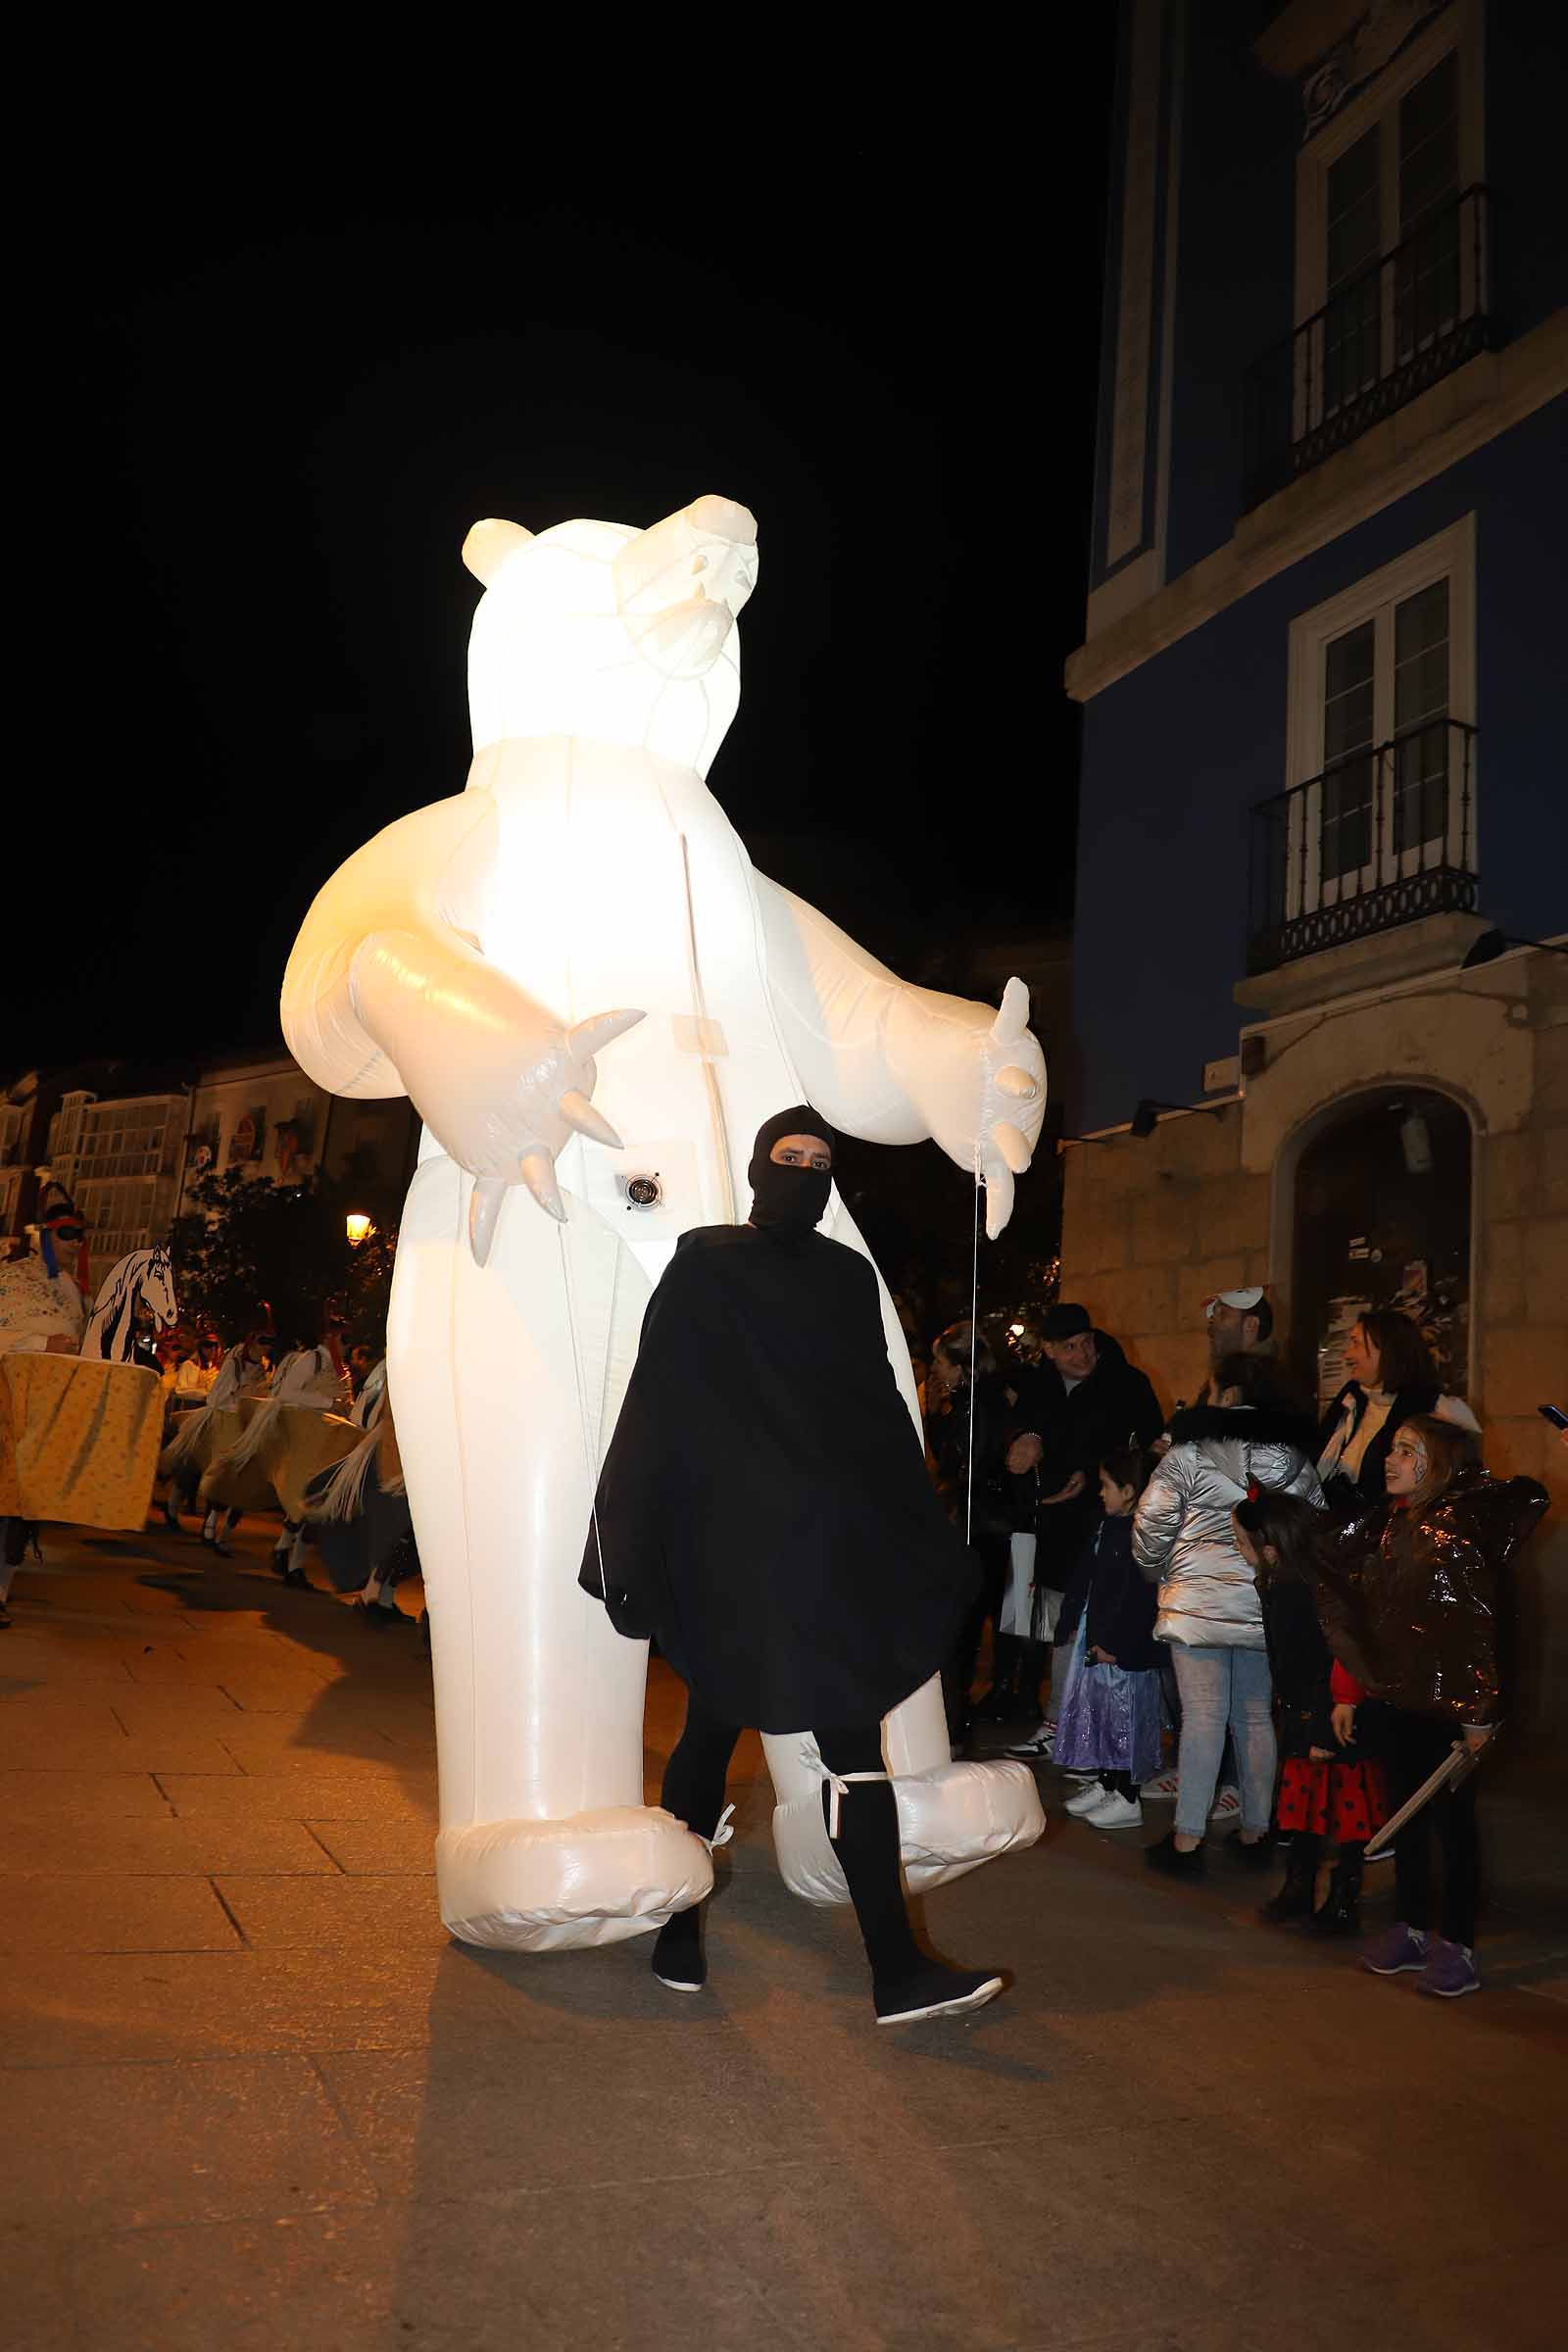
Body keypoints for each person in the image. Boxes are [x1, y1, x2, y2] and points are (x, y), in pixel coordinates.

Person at [580, 1106, 1004, 2027]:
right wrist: (630, 1530)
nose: (807, 1172)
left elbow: (880, 1411)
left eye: (822, 1161)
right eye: (790, 1157)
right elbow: (658, 1401)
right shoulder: (705, 1263)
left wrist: (918, 1527)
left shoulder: (849, 1278)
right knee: (711, 1729)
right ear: (758, 1167)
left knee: (851, 1748)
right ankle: (680, 1924)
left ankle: (896, 1968)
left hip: (825, 1551)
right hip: (733, 1551)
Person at [1315, 1416, 1547, 1999]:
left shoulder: (1455, 1532)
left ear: (1438, 1464)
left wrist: (1477, 1713)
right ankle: (1412, 1925)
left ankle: (1457, 1945)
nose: (1390, 1460)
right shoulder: (1395, 1526)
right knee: (1408, 1817)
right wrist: (1356, 1688)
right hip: (1401, 1698)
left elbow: (1475, 1627)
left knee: (1453, 1825)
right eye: (1392, 1448)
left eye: (1406, 1451)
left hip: (1450, 1709)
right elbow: (1375, 1616)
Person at [1134, 1352, 1323, 1877]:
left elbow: (1150, 1525)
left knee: (1202, 1717)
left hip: (1196, 1607)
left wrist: (1160, 1574)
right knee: (1256, 1715)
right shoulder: (1294, 1461)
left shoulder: (1188, 1455)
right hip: (1264, 1603)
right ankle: (1257, 1827)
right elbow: (1313, 1531)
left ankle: (1188, 1837)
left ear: (1229, 1393)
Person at [1002, 1304, 1163, 1759]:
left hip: (1092, 1527)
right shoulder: (1036, 1384)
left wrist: (1091, 1478)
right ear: (1049, 1351)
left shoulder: (1127, 1384)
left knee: (1075, 1626)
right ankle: (1017, 1696)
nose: (1083, 1353)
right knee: (1027, 1621)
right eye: (1069, 1347)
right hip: (1034, 1521)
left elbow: (1146, 1451)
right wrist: (1025, 1437)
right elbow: (1017, 1428)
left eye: (1087, 1341)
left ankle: (1070, 1723)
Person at [1232, 1488, 1388, 1935]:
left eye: (1240, 1543)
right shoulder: (1282, 1582)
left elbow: (1322, 1662)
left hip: (1333, 1717)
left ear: (1270, 1550)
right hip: (1307, 1714)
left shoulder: (1301, 1591)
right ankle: (1299, 1888)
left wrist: (1319, 1728)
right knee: (1305, 1807)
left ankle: (1342, 1897)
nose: (1238, 1551)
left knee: (1345, 1811)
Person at [1052, 1445, 1163, 1830]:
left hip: (1122, 1647)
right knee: (1101, 1712)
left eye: (1106, 1485)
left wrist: (1117, 1645)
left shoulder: (1143, 1536)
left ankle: (1128, 1794)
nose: (1101, 1493)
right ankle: (1107, 1781)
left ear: (1129, 1490)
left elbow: (1137, 1599)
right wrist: (1069, 1620)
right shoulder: (1108, 1527)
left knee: (1126, 1717)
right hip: (1098, 1636)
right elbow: (1088, 1576)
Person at [922, 1320, 1015, 1738]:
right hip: (988, 1524)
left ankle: (959, 1719)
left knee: (967, 1625)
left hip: (983, 1527)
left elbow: (956, 1461)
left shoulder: (978, 1406)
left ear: (961, 1365)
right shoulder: (976, 1403)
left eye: (942, 1363)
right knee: (992, 1622)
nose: (936, 1372)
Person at [1316, 1309, 1479, 1514]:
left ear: (1386, 1350)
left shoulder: (1435, 1409)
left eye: (1356, 1343)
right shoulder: (1350, 1400)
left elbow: (1460, 1483)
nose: (1347, 1355)